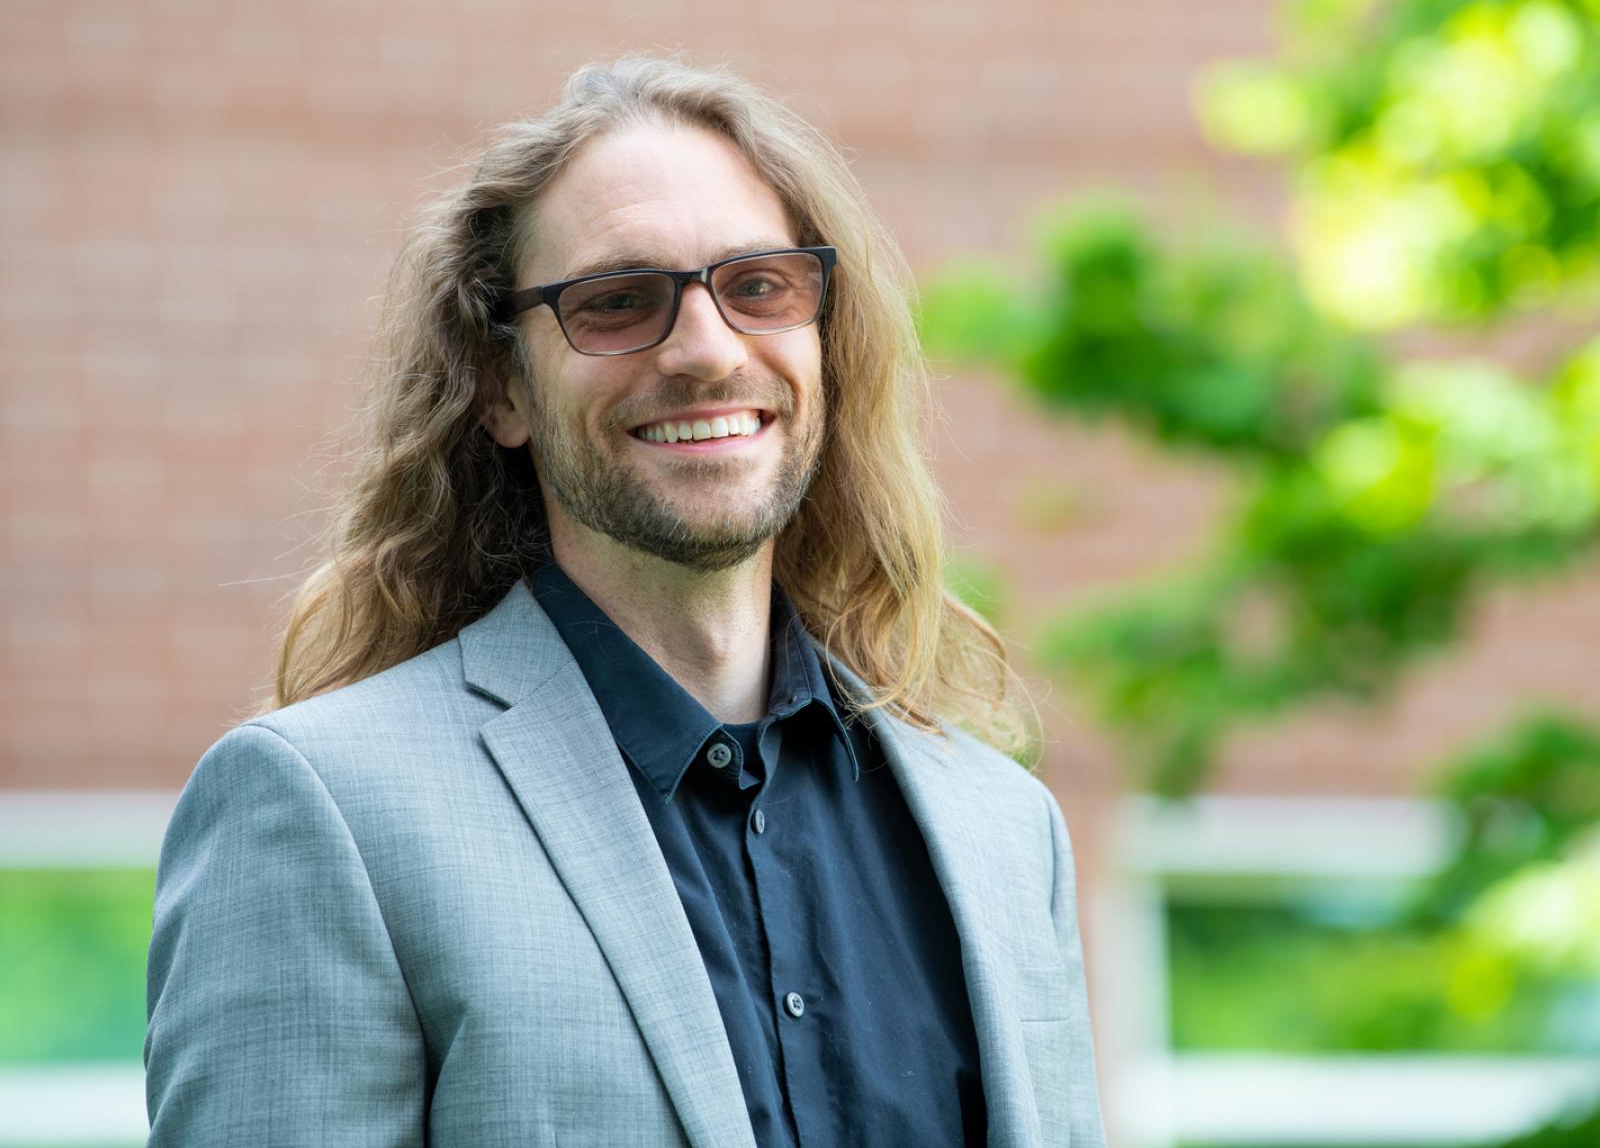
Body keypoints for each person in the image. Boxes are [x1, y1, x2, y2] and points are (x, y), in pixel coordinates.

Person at [144, 56, 1105, 1148]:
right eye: (616, 303)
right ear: (501, 387)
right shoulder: (325, 812)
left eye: (759, 286)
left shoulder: (1002, 827)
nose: (706, 349)